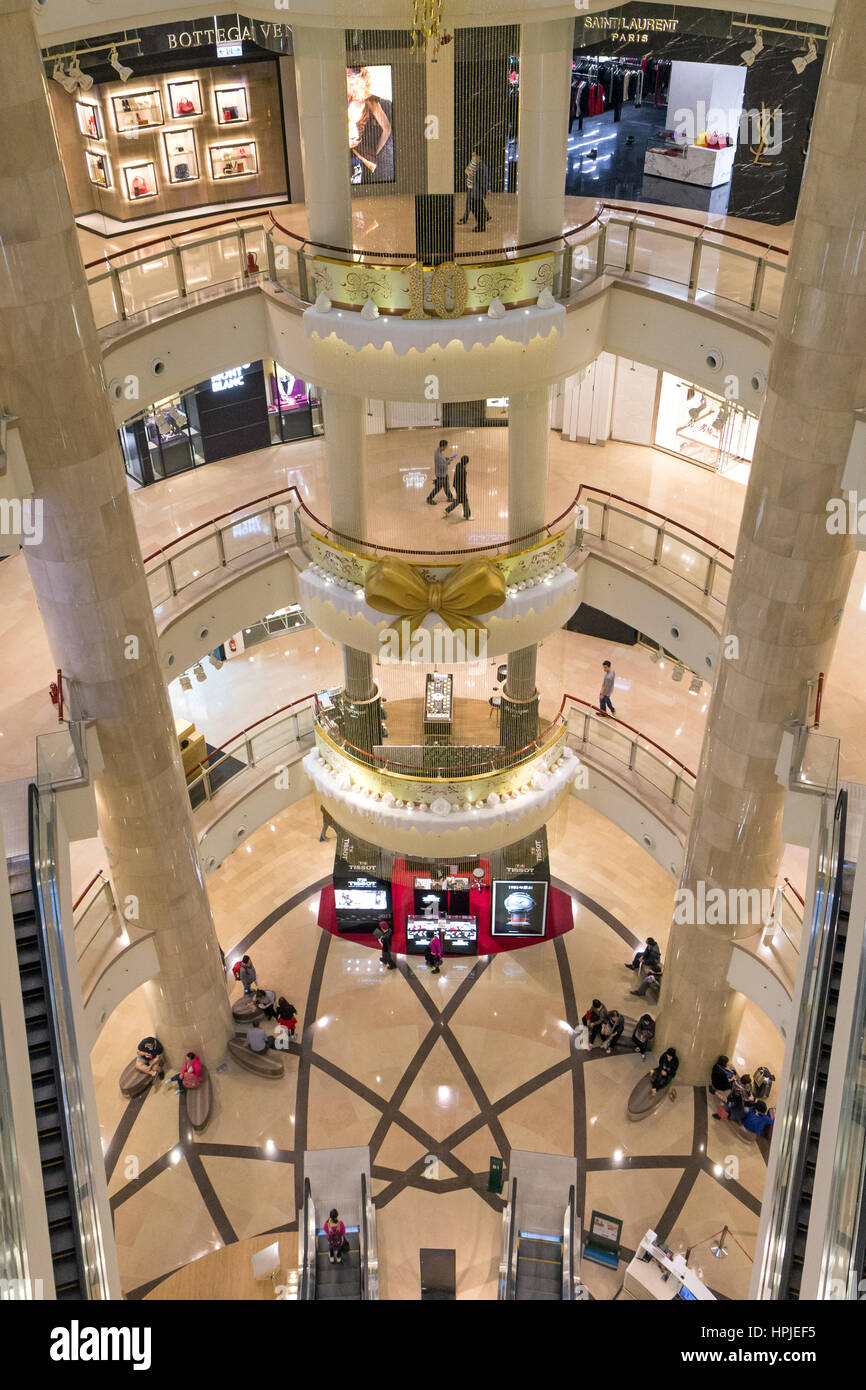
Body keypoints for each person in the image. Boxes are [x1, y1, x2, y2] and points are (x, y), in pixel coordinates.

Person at [347, 67, 393, 184]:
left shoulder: (370, 100)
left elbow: (387, 129)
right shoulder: (336, 96)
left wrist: (375, 153)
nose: (348, 74)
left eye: (353, 72)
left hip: (355, 158)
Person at [427, 440, 455, 505]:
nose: (446, 448)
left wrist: (446, 459)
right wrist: (448, 461)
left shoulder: (438, 452)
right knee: (438, 488)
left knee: (446, 486)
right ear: (442, 446)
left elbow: (442, 461)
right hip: (441, 475)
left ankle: (450, 497)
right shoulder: (438, 455)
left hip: (443, 474)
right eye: (445, 447)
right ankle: (429, 498)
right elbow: (441, 466)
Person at [468, 149, 490, 232]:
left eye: (474, 156)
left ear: (478, 156)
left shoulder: (481, 167)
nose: (473, 158)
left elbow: (483, 180)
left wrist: (485, 190)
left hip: (478, 192)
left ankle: (481, 226)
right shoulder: (476, 165)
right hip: (475, 192)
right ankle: (480, 224)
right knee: (475, 208)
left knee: (477, 209)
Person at [445, 454, 471, 521]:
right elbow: (462, 483)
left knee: (458, 500)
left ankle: (447, 510)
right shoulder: (463, 472)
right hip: (460, 489)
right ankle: (467, 516)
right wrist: (464, 492)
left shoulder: (458, 465)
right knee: (465, 501)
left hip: (456, 486)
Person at [458, 151, 480, 223]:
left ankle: (465, 219)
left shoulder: (477, 164)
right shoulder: (473, 161)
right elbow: (467, 168)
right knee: (477, 203)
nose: (472, 155)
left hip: (472, 187)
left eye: (474, 154)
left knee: (469, 204)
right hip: (470, 186)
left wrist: (467, 171)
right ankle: (486, 215)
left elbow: (469, 172)